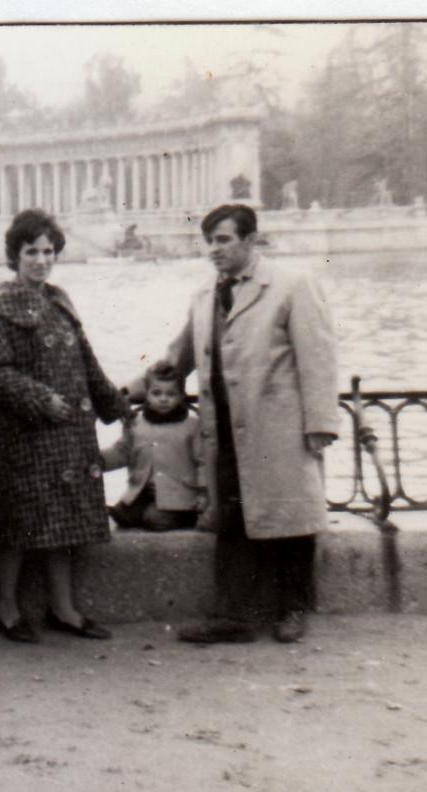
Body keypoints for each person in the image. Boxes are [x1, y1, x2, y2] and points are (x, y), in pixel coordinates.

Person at [136, 204, 339, 644]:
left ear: (250, 240)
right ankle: (234, 616)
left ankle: (293, 609)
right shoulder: (205, 296)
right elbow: (178, 357)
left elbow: (318, 358)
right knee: (232, 522)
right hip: (223, 429)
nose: (214, 249)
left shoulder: (292, 285)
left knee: (291, 521)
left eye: (223, 240)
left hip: (278, 427)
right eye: (209, 241)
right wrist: (127, 392)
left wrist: (320, 423)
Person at [0, 209, 130, 644]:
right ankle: (5, 607)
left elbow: (88, 363)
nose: (41, 260)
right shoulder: (0, 309)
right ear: (15, 255)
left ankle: (63, 608)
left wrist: (116, 406)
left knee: (63, 526)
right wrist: (42, 399)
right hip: (25, 437)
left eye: (48, 251)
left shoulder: (60, 301)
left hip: (66, 435)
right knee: (20, 525)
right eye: (32, 252)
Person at [101, 361, 204, 531]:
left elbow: (203, 461)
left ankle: (184, 516)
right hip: (144, 491)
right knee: (121, 514)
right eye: (156, 393)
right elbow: (123, 451)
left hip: (179, 494)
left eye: (171, 394)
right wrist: (99, 460)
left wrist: (204, 493)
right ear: (147, 395)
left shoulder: (191, 425)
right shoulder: (137, 423)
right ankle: (145, 512)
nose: (163, 399)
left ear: (181, 396)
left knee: (155, 519)